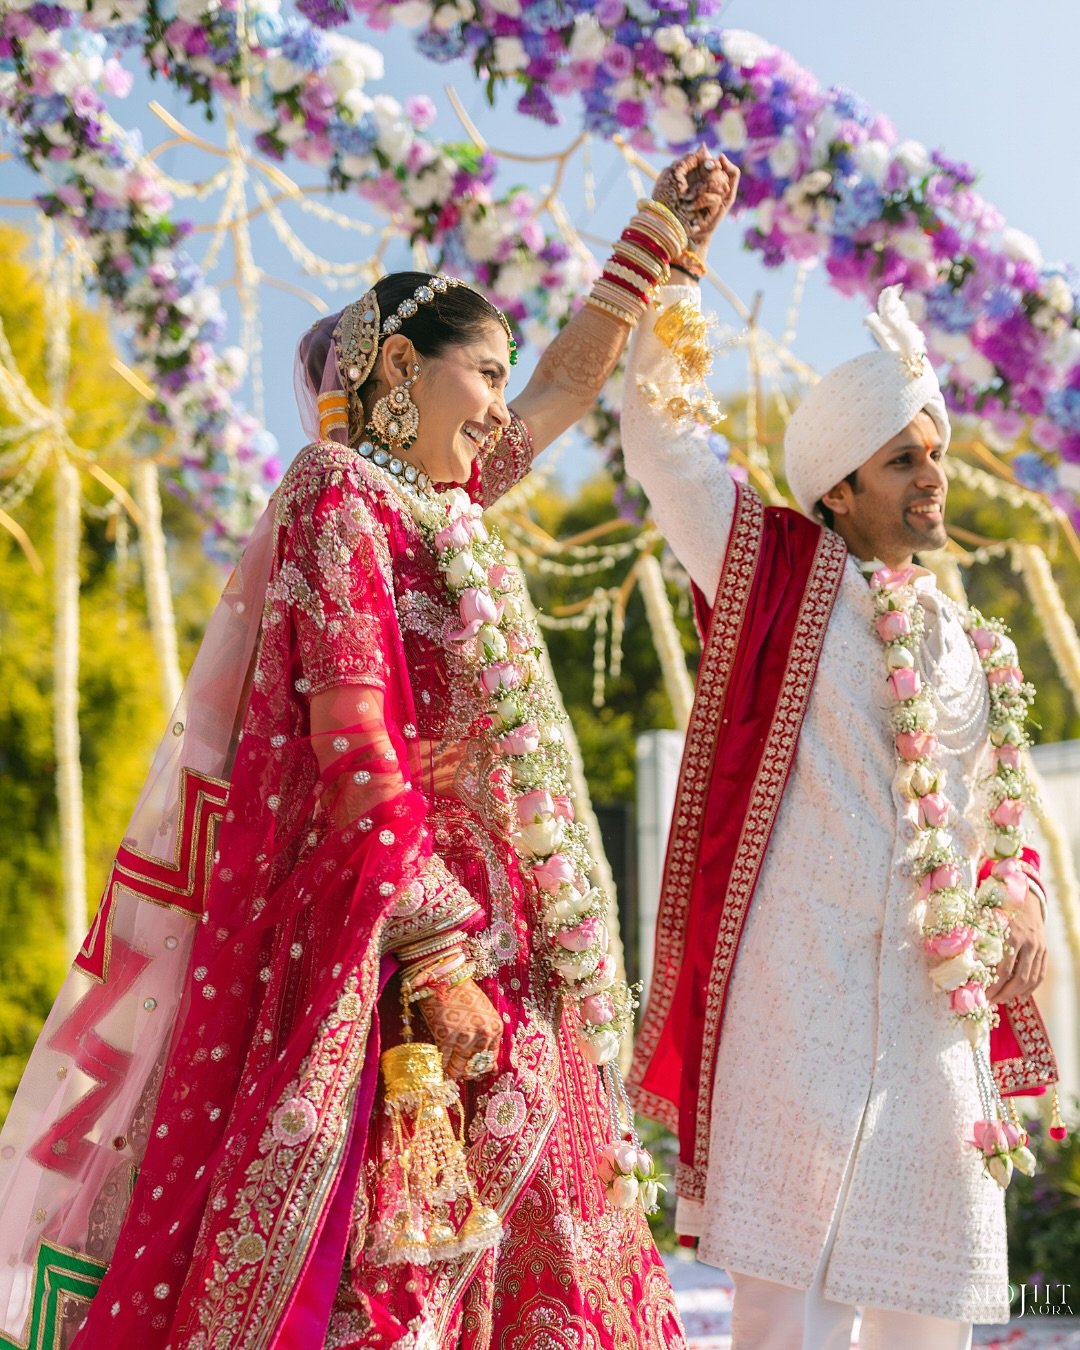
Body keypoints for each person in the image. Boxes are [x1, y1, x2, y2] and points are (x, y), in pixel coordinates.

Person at [0, 155, 732, 1348]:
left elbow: (558, 384)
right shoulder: (347, 492)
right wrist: (438, 953)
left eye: (501, 378)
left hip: (516, 938)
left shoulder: (450, 499)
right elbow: (354, 737)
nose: (501, 406)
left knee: (545, 1235)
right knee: (397, 1262)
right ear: (401, 365)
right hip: (400, 943)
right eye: (479, 373)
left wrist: (659, 232)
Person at [623, 161, 1062, 1350]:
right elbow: (664, 439)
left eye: (938, 454)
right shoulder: (774, 575)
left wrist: (1017, 896)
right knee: (789, 1302)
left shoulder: (972, 640)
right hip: (796, 984)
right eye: (907, 461)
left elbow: (992, 810)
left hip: (931, 1002)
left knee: (934, 1293)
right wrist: (675, 259)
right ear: (840, 486)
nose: (937, 480)